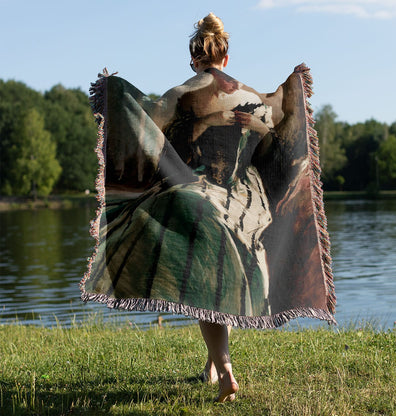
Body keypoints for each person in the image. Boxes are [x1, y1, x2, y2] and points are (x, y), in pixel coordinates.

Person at [81, 12, 336, 405]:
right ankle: (214, 366)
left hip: (197, 194)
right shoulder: (252, 97)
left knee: (207, 285)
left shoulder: (180, 93)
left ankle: (225, 370)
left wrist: (117, 94)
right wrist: (250, 122)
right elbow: (274, 138)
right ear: (226, 58)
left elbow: (146, 126)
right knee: (219, 283)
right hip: (247, 207)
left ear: (194, 59)